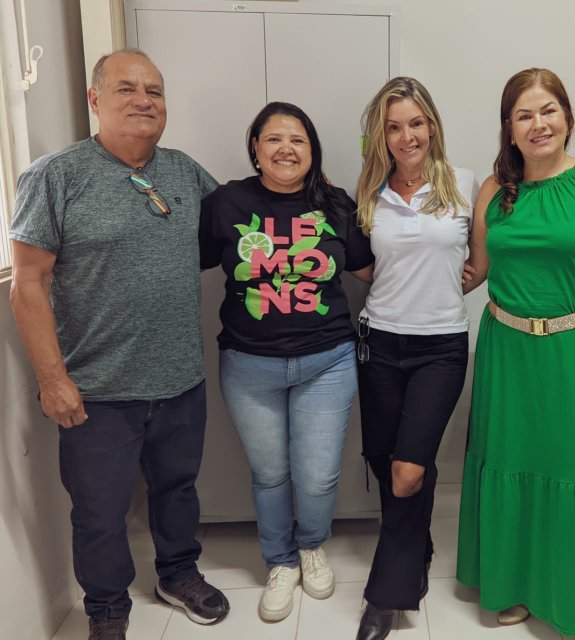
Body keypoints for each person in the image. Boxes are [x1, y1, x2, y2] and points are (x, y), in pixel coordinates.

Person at [8, 50, 229, 640]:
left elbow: (238, 226)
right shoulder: (55, 176)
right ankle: (107, 609)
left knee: (178, 490)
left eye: (154, 91)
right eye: (127, 88)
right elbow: (27, 283)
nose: (143, 101)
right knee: (100, 514)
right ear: (94, 99)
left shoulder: (184, 172)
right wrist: (53, 378)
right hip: (97, 390)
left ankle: (178, 573)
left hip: (181, 379)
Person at [456, 67, 575, 638]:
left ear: (567, 116)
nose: (538, 124)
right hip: (507, 351)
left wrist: (562, 284)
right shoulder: (492, 190)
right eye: (524, 115)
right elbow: (477, 270)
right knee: (511, 463)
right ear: (509, 128)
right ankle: (509, 586)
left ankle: (570, 592)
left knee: (574, 466)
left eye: (547, 110)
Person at [199, 102, 374, 623]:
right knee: (270, 473)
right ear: (255, 148)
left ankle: (311, 547)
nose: (285, 149)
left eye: (297, 140)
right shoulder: (226, 203)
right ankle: (280, 562)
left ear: (312, 150)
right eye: (273, 139)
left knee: (317, 476)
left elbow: (369, 271)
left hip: (328, 362)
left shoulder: (337, 205)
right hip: (249, 366)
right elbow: (187, 258)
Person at [353, 77, 478, 640]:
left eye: (417, 123)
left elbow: (479, 264)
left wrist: (441, 293)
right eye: (395, 126)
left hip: (440, 349)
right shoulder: (368, 193)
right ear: (382, 135)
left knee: (408, 472)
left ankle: (388, 596)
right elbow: (365, 266)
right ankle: (417, 541)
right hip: (378, 342)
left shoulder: (465, 184)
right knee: (385, 459)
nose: (408, 136)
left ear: (433, 125)